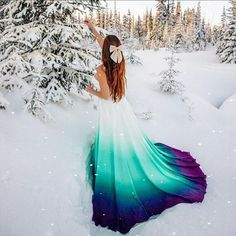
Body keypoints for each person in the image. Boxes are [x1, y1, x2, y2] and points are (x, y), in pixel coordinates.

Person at [84, 19, 207, 235]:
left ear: (104, 52)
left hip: (111, 110)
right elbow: (105, 44)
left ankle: (118, 174)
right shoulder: (119, 60)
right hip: (121, 108)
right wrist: (94, 30)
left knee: (116, 141)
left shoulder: (101, 69)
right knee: (126, 139)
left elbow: (103, 94)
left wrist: (88, 89)